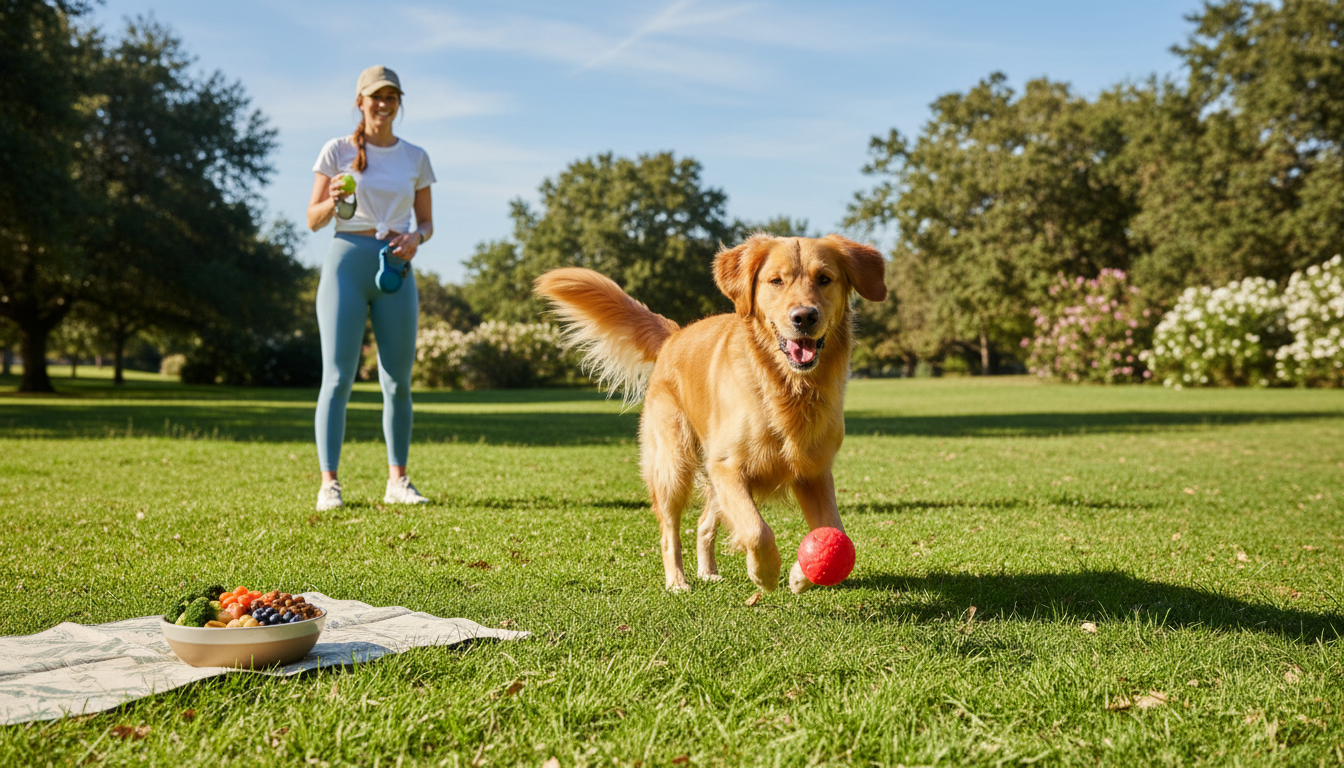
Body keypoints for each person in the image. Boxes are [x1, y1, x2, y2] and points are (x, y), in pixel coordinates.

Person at [306, 65, 434, 511]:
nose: (383, 104)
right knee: (337, 377)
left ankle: (398, 481)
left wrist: (416, 238)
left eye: (391, 97)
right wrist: (335, 200)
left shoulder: (415, 157)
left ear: (399, 103)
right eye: (375, 96)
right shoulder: (336, 150)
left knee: (397, 382)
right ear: (360, 102)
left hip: (395, 269)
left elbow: (427, 223)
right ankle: (329, 485)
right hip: (346, 262)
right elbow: (312, 218)